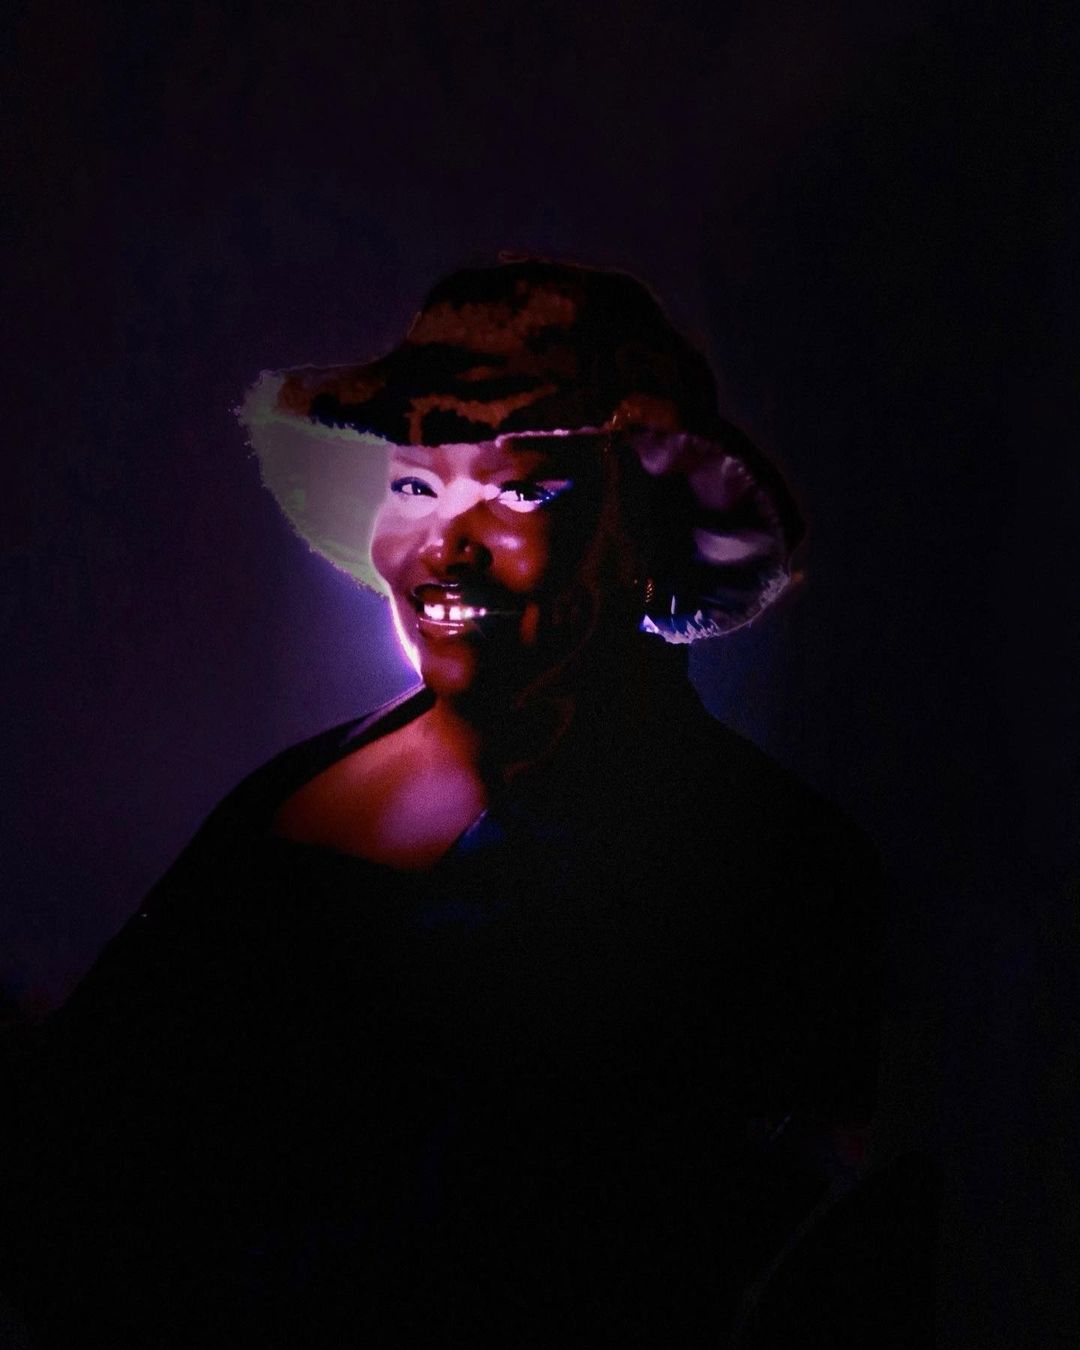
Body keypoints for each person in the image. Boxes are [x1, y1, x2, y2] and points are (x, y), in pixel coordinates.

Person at [1, 260, 890, 1347]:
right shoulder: (294, 790)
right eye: (417, 488)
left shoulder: (778, 869)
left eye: (523, 492)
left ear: (639, 532)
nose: (443, 549)